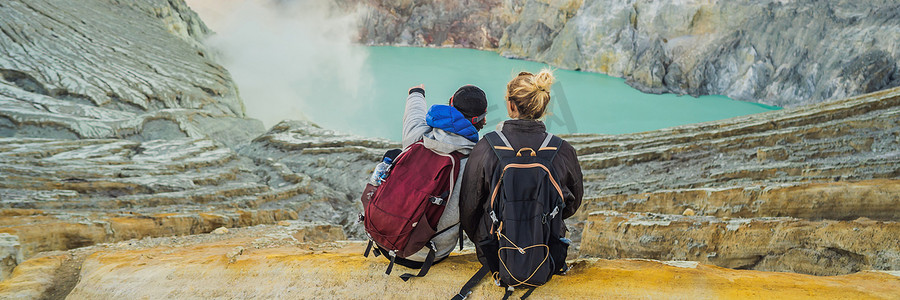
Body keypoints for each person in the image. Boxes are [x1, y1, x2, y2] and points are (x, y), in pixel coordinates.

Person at [458, 69, 583, 284]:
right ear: (542, 106)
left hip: (495, 254)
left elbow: (469, 207)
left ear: (511, 105)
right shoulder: (563, 150)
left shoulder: (486, 146)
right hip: (547, 250)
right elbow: (572, 204)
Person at [396, 83, 488, 265]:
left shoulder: (419, 135)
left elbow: (414, 116)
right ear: (482, 120)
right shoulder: (476, 161)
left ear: (450, 105)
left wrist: (416, 93)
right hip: (428, 253)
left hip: (387, 240)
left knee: (392, 156)